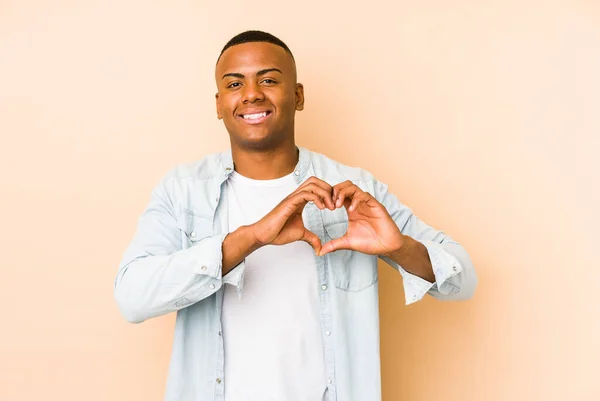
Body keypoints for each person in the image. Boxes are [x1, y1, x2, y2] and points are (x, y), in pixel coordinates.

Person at [114, 30, 477, 401]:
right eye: (235, 83)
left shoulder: (354, 189)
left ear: (298, 96)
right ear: (219, 103)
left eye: (268, 80)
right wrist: (250, 238)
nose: (252, 93)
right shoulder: (183, 190)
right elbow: (131, 297)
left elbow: (464, 280)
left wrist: (401, 249)